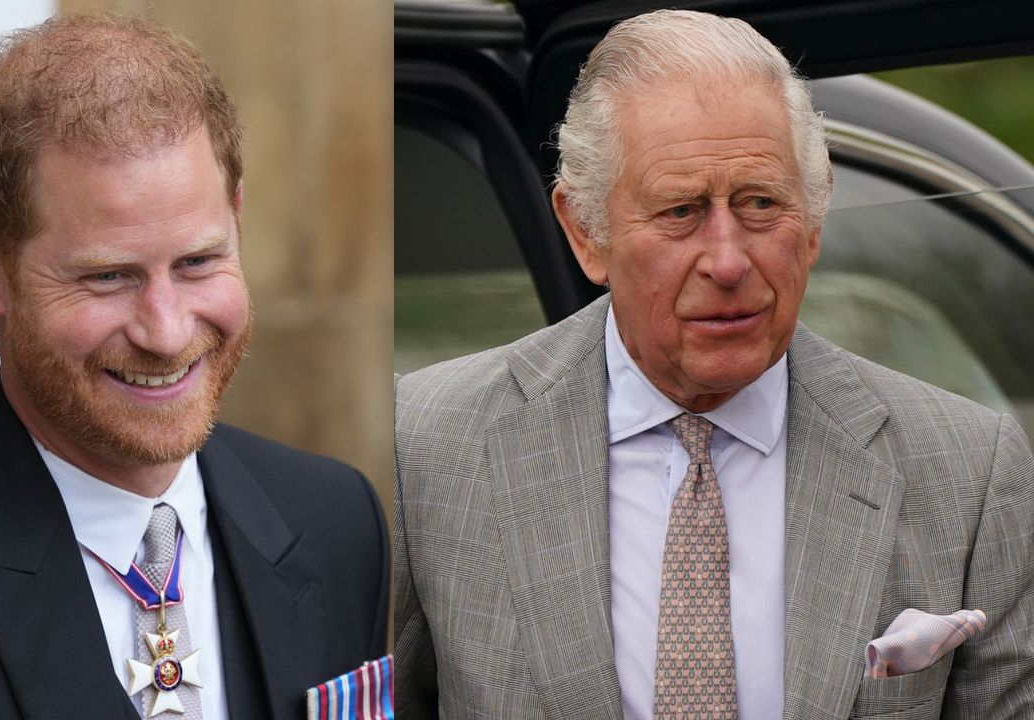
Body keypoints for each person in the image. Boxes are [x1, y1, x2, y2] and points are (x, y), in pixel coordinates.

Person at [393, 9, 1033, 720]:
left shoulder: (967, 470)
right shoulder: (425, 449)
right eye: (680, 211)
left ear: (814, 220)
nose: (728, 261)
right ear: (585, 232)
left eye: (761, 203)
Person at [0, 15, 387, 720]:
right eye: (109, 276)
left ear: (237, 221)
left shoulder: (338, 521)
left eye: (198, 261)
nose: (166, 330)